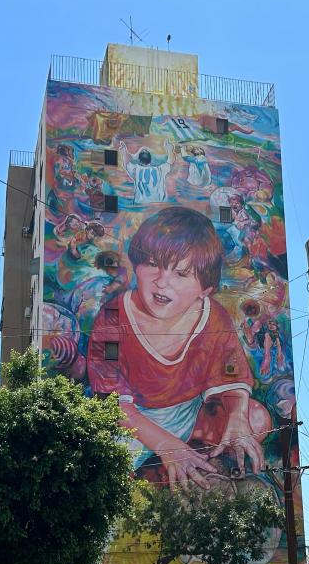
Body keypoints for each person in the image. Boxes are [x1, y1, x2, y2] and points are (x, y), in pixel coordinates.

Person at [87, 207, 265, 488]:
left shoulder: (213, 316)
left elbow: (231, 374)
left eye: (181, 273)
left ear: (205, 289)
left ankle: (199, 462)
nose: (162, 281)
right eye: (152, 264)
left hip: (190, 413)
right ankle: (164, 465)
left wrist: (237, 417)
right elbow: (113, 401)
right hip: (135, 419)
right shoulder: (113, 316)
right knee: (107, 468)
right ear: (136, 265)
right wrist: (165, 444)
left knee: (256, 418)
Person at [119, 140, 173, 205]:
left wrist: (124, 151)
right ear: (150, 159)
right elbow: (170, 161)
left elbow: (126, 163)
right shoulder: (160, 169)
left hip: (140, 203)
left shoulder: (136, 170)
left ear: (139, 160)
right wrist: (170, 149)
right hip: (159, 202)